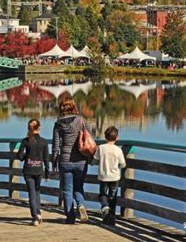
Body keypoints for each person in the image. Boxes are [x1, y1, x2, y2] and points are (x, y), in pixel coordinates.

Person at [52, 95, 93, 224]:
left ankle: (70, 217)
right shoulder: (81, 121)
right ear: (74, 106)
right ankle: (81, 205)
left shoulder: (58, 123)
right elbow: (90, 134)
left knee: (67, 189)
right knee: (78, 187)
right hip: (81, 160)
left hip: (65, 160)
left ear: (62, 108)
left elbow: (55, 145)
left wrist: (54, 160)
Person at [92, 126, 126, 226]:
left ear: (105, 137)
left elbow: (95, 160)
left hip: (103, 176)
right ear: (117, 138)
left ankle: (105, 207)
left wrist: (91, 162)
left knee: (102, 194)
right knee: (113, 197)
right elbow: (123, 164)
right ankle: (111, 217)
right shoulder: (118, 150)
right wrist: (118, 166)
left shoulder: (101, 148)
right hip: (115, 177)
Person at [17, 119, 49, 226]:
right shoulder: (44, 142)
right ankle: (38, 213)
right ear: (39, 128)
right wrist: (47, 174)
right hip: (39, 170)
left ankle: (35, 217)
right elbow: (46, 159)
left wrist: (27, 156)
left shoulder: (25, 141)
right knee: (37, 191)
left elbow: (20, 156)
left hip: (28, 170)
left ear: (28, 128)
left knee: (31, 192)